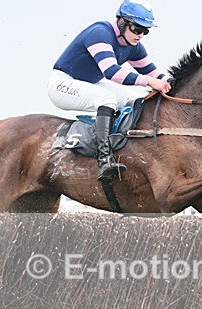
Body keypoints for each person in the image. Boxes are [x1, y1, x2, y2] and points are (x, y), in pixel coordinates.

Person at [48, 0, 172, 182]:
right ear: (121, 21)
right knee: (107, 98)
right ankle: (104, 159)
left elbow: (153, 73)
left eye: (145, 31)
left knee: (136, 100)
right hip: (63, 83)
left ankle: (123, 147)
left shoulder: (134, 46)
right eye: (137, 28)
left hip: (91, 83)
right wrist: (150, 81)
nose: (140, 35)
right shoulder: (100, 33)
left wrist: (175, 83)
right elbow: (112, 72)